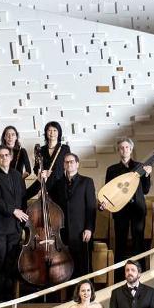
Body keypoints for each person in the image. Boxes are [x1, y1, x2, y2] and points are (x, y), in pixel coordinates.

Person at [0, 145, 33, 300]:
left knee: (11, 261)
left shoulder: (17, 175)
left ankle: (10, 295)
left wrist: (40, 182)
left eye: (6, 155)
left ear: (11, 157)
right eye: (0, 155)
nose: (4, 158)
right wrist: (13, 211)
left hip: (15, 226)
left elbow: (24, 197)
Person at [51, 153, 96, 282]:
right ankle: (70, 293)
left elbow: (91, 208)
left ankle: (87, 291)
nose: (69, 164)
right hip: (63, 232)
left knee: (84, 267)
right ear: (64, 165)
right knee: (66, 267)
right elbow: (51, 203)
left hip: (81, 231)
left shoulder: (87, 182)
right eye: (66, 162)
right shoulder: (58, 183)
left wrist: (89, 228)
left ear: (77, 164)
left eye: (71, 162)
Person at [33, 121, 71, 186]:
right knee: (26, 192)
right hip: (44, 181)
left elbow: (68, 166)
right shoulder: (41, 150)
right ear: (46, 132)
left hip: (59, 183)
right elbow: (36, 167)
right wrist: (41, 173)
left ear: (59, 132)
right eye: (49, 130)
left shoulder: (65, 148)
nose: (52, 133)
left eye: (55, 130)